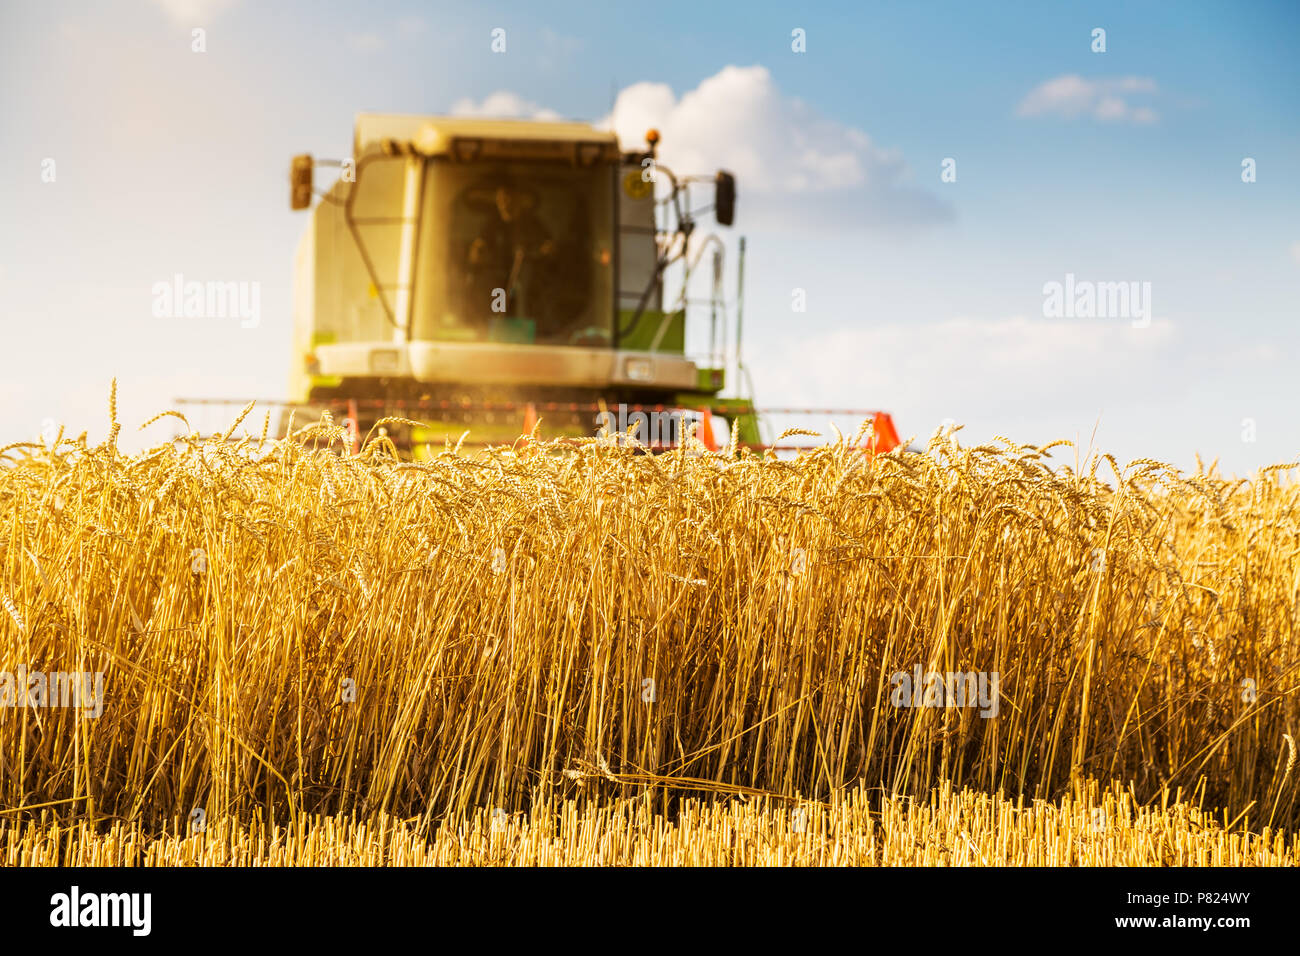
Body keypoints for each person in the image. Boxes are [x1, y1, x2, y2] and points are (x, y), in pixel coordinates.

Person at [465, 185, 556, 319]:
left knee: (526, 314)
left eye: (509, 199)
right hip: (498, 285)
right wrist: (477, 254)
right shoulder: (491, 225)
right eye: (500, 200)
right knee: (498, 316)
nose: (505, 204)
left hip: (529, 283)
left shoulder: (533, 224)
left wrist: (536, 254)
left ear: (519, 201)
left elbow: (549, 249)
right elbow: (478, 250)